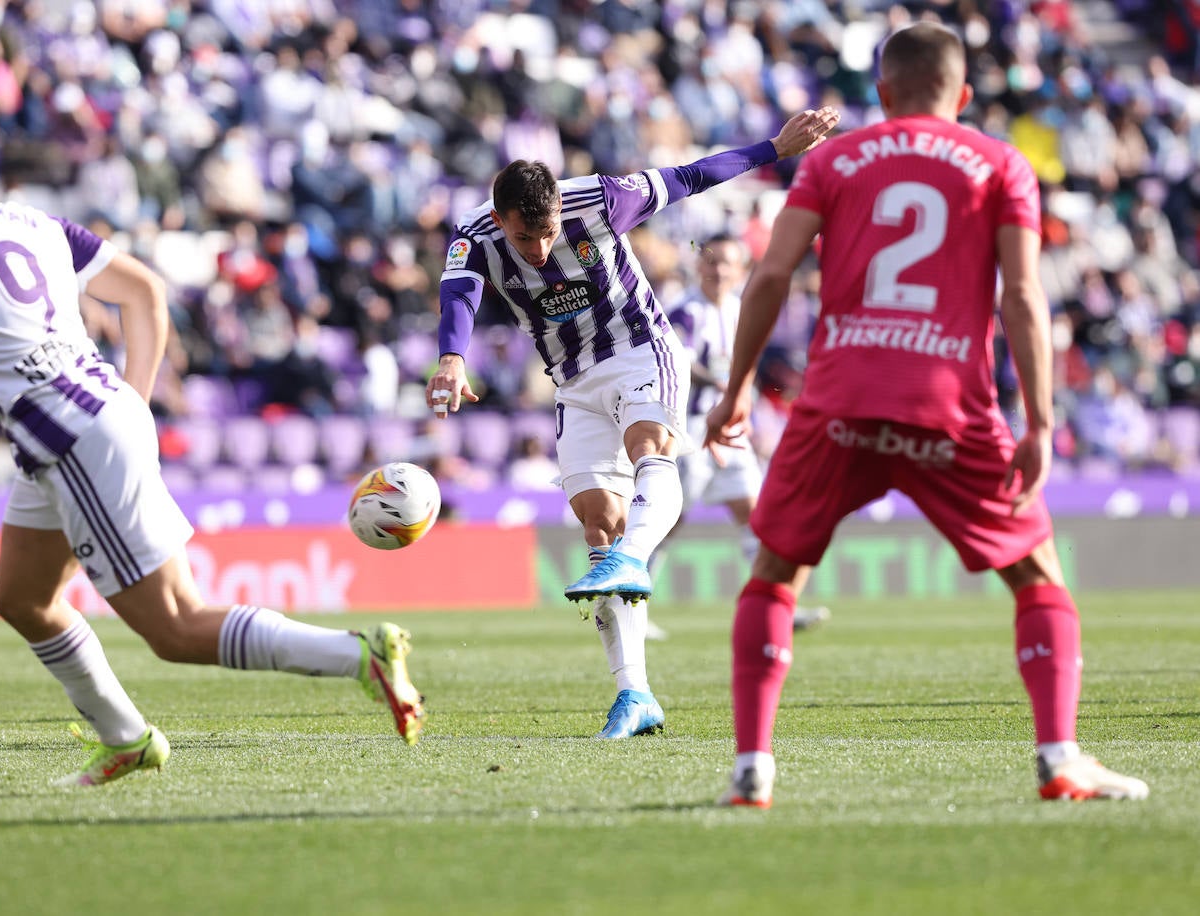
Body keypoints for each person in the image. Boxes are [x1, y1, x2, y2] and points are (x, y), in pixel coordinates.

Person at [0, 118, 425, 787]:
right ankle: (125, 738)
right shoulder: (32, 220)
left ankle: (359, 657)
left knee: (176, 627)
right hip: (88, 416)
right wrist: (133, 400)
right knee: (21, 597)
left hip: (67, 433)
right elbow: (143, 292)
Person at [703, 23, 1147, 806]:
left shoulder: (834, 158)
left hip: (839, 402)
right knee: (1038, 575)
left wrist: (737, 386)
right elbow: (1020, 296)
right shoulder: (1000, 162)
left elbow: (771, 274)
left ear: (881, 94)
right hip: (951, 407)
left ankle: (751, 770)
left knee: (775, 571)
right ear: (964, 96)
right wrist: (1041, 422)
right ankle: (1060, 758)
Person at [425, 107, 840, 738]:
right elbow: (459, 293)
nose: (538, 251)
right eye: (522, 239)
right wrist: (452, 358)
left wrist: (774, 149)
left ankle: (637, 557)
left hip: (639, 350)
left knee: (650, 451)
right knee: (600, 524)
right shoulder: (474, 234)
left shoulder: (602, 198)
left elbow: (693, 175)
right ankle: (635, 694)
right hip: (573, 381)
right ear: (499, 217)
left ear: (559, 209)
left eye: (546, 234)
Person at [663, 235, 830, 633]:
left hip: (733, 432)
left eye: (727, 264)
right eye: (712, 262)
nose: (718, 270)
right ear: (699, 267)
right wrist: (724, 387)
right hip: (692, 431)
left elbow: (753, 368)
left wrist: (748, 403)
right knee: (669, 519)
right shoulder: (686, 311)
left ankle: (777, 607)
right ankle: (636, 608)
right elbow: (679, 361)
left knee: (756, 517)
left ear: (741, 271)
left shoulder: (741, 309)